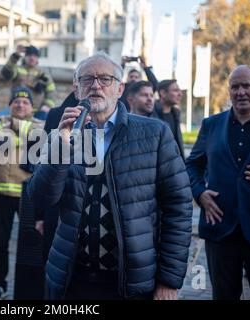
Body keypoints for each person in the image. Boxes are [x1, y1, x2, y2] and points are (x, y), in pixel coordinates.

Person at [27, 52, 193, 300]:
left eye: (105, 79)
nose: (95, 85)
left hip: (132, 281)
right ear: (76, 89)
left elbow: (178, 207)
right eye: (87, 79)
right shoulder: (62, 134)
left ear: (120, 88)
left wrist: (168, 280)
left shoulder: (155, 133)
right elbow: (40, 197)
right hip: (72, 279)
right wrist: (61, 144)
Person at [186, 65, 250, 300]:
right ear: (229, 91)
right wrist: (200, 193)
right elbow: (192, 165)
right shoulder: (210, 125)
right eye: (235, 87)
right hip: (220, 229)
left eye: (246, 85)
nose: (241, 92)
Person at [0, 86, 44, 300]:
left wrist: (13, 132)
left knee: (31, 244)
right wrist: (21, 137)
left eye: (25, 102)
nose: (20, 105)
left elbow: (37, 140)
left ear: (32, 106)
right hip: (1, 191)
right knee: (0, 243)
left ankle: (30, 288)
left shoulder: (40, 124)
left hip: (28, 194)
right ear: (10, 105)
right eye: (16, 102)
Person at [0, 45, 56, 167]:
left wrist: (47, 105)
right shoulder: (18, 70)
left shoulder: (43, 74)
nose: (31, 57)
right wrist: (15, 56)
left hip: (35, 111)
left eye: (34, 55)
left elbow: (51, 93)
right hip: (14, 109)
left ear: (38, 59)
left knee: (49, 126)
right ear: (25, 57)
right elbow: (6, 73)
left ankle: (43, 159)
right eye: (29, 55)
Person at [155, 80, 185, 161]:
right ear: (163, 93)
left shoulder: (176, 114)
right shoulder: (150, 115)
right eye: (175, 90)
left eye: (180, 91)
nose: (180, 94)